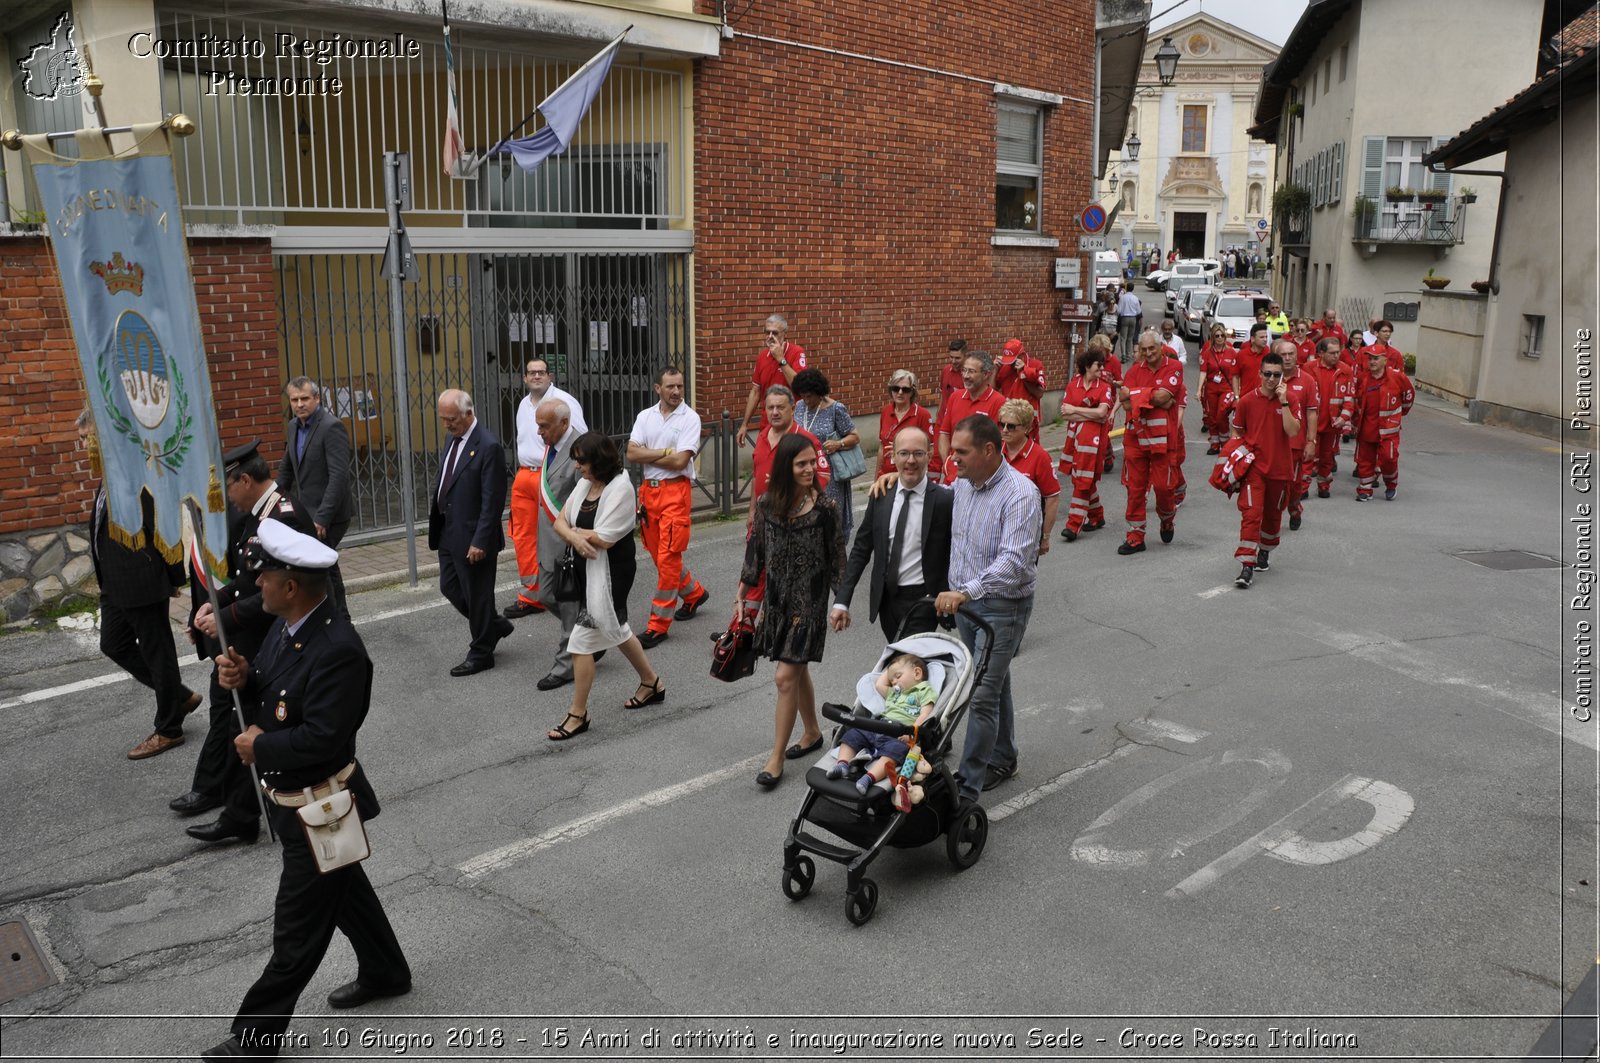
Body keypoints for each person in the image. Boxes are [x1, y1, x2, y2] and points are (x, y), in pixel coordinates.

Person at [199, 519, 410, 1062]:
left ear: (290, 586)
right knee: (344, 892)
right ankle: (386, 971)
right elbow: (277, 690)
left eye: (263, 577)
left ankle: (255, 1040)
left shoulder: (339, 649)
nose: (256, 585)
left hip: (323, 805)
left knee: (297, 930)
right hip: (297, 804)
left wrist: (259, 749)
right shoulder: (288, 625)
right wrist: (244, 676)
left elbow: (323, 736)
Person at [178, 440, 311, 846]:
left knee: (264, 722)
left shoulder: (283, 517)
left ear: (246, 480)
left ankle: (253, 809)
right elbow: (247, 579)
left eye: (228, 488)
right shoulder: (256, 515)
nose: (226, 499)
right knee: (241, 718)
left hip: (284, 636)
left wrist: (227, 619)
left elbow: (278, 591)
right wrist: (214, 605)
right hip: (258, 635)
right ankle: (241, 809)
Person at [81, 410, 200, 761]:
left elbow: (163, 522)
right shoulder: (108, 475)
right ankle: (178, 696)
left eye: (86, 438)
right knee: (113, 643)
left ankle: (169, 728)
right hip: (114, 584)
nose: (83, 445)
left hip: (141, 580)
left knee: (157, 653)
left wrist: (174, 577)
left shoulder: (137, 473)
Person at [936, 415, 1039, 802]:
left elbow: (1014, 561)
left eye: (961, 452)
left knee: (979, 694)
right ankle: (1003, 755)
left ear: (989, 450)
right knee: (994, 681)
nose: (953, 459)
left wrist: (966, 592)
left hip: (1001, 606)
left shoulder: (1020, 494)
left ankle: (967, 785)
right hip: (966, 604)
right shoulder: (964, 483)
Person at [738, 433, 846, 789]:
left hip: (809, 606)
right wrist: (744, 591)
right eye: (801, 463)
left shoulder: (825, 508)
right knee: (796, 670)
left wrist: (840, 601)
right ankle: (813, 731)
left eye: (812, 462)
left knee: (784, 677)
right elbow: (757, 548)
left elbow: (837, 556)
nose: (809, 468)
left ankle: (776, 757)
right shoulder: (769, 504)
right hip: (778, 602)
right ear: (786, 466)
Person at [545, 433, 666, 741]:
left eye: (581, 460)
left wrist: (574, 532)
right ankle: (651, 683)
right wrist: (575, 536)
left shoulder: (621, 488)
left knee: (581, 641)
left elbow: (607, 538)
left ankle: (578, 714)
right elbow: (559, 521)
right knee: (617, 629)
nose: (576, 466)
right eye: (575, 459)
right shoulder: (586, 483)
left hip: (612, 572)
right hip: (588, 568)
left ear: (598, 461)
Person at [832, 425, 952, 641]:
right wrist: (842, 600)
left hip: (924, 601)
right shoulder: (881, 496)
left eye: (918, 453)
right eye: (904, 453)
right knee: (903, 665)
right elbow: (861, 550)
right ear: (892, 456)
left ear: (930, 454)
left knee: (907, 661)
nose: (911, 460)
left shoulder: (944, 501)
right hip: (887, 600)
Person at [625, 366, 708, 650]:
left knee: (669, 557)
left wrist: (650, 456)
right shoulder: (644, 417)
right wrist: (663, 452)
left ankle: (658, 626)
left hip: (675, 493)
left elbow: (679, 463)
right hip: (649, 494)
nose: (676, 392)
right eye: (670, 387)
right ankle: (694, 593)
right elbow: (631, 453)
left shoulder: (690, 418)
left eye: (680, 387)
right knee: (658, 553)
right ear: (657, 388)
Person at [429, 389, 510, 678]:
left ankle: (481, 652)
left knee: (477, 595)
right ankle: (493, 625)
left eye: (451, 419)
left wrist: (480, 540)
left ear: (468, 413)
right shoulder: (452, 438)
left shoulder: (488, 446)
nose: (447, 425)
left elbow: (493, 500)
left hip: (474, 536)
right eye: (443, 419)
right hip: (448, 531)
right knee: (449, 587)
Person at [504, 357, 587, 619]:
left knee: (549, 532)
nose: (536, 376)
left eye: (541, 372)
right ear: (525, 378)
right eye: (531, 373)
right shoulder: (522, 404)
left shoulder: (564, 402)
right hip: (523, 476)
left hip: (548, 476)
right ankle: (533, 591)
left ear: (549, 376)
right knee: (523, 536)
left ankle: (556, 588)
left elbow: (579, 440)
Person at [276, 377, 353, 612]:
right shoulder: (293, 426)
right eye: (294, 400)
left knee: (324, 566)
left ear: (317, 399)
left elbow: (339, 476)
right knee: (322, 566)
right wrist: (272, 500)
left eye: (305, 399)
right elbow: (287, 469)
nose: (299, 404)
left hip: (330, 514)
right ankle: (333, 618)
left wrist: (322, 517)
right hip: (307, 511)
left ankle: (340, 619)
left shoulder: (331, 427)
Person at [529, 399, 591, 691]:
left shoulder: (580, 448)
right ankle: (589, 633)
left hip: (569, 540)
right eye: (538, 425)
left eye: (544, 426)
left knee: (568, 605)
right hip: (548, 538)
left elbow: (589, 494)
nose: (539, 431)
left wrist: (578, 536)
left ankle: (565, 665)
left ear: (564, 424)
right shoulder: (552, 445)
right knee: (546, 595)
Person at [1228, 352, 1302, 589]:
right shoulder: (1247, 401)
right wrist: (1233, 467)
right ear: (1260, 374)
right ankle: (1246, 566)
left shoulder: (1290, 398)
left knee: (1272, 519)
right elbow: (1236, 434)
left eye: (1277, 375)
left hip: (1280, 470)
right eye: (1268, 374)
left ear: (1283, 376)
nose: (1272, 379)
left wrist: (1284, 402)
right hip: (1254, 470)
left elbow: (1292, 431)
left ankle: (1265, 552)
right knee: (1251, 515)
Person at [826, 653, 937, 800]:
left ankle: (869, 778)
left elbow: (925, 715)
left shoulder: (923, 691)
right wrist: (891, 670)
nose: (894, 682)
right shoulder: (893, 694)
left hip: (900, 733)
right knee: (854, 734)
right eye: (891, 680)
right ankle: (842, 765)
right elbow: (879, 684)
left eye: (898, 676)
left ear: (917, 673)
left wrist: (911, 732)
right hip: (879, 725)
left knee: (894, 752)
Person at [1116, 330, 1184, 555]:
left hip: (1163, 441)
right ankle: (1136, 536)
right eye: (1143, 349)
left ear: (1160, 347)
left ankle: (1167, 518)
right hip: (1135, 438)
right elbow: (1125, 405)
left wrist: (1136, 394)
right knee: (1135, 489)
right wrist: (1152, 397)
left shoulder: (1174, 367)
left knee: (1164, 488)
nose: (1147, 353)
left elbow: (1165, 397)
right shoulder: (1134, 371)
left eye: (1151, 349)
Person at [791, 368, 862, 544]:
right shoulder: (799, 407)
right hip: (804, 472)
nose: (806, 400)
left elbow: (855, 436)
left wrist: (839, 444)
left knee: (829, 518)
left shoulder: (836, 409)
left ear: (819, 392)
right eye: (802, 395)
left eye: (809, 396)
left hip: (829, 475)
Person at [1058, 348, 1113, 543]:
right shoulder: (1073, 385)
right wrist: (1088, 413)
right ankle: (1096, 516)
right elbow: (1065, 413)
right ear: (1088, 366)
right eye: (1099, 364)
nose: (1102, 368)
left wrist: (1077, 411)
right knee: (1083, 477)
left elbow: (1101, 414)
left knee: (1082, 478)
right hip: (1075, 439)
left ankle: (1073, 525)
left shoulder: (1104, 387)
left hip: (1094, 441)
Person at [1352, 344, 1415, 501]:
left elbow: (1408, 395)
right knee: (1365, 459)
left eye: (1376, 358)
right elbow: (1356, 400)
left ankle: (1391, 484)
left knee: (1388, 458)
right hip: (1367, 427)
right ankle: (1365, 490)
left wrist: (1400, 414)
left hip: (1388, 429)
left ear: (1385, 360)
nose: (1372, 362)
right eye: (1370, 358)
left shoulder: (1397, 377)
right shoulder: (1363, 378)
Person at [998, 398, 1060, 555]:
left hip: (1025, 535)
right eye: (1002, 424)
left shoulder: (1040, 457)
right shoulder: (995, 452)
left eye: (1011, 426)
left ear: (1026, 428)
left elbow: (1052, 499)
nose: (1004, 430)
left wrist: (1045, 537)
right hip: (996, 530)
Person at [737, 313, 806, 447]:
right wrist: (744, 424)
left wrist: (781, 359)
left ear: (784, 334)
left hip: (790, 425)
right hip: (767, 425)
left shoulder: (797, 352)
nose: (770, 337)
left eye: (774, 333)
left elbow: (800, 386)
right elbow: (756, 391)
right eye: (767, 332)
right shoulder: (762, 356)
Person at [937, 350, 1004, 481]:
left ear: (986, 374)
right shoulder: (955, 397)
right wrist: (947, 461)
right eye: (964, 370)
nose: (966, 376)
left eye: (971, 372)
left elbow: (999, 445)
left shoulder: (999, 402)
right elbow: (944, 433)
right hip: (953, 477)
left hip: (980, 478)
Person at [1277, 340, 1321, 532]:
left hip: (1295, 444)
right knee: (1273, 484)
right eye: (1283, 355)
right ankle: (1272, 518)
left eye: (1290, 354)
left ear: (1297, 356)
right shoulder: (1269, 378)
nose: (1287, 358)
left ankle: (1295, 509)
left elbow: (1312, 413)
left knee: (1294, 486)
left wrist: (1311, 441)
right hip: (1271, 444)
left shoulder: (1308, 381)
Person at [1309, 337, 1356, 498]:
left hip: (1333, 424)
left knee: (1327, 458)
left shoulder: (1346, 370)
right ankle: (1301, 489)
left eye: (1338, 352)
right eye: (1332, 353)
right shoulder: (1309, 368)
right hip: (1311, 424)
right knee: (1308, 457)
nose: (1336, 356)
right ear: (1321, 353)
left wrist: (1343, 418)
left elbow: (1350, 399)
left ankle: (1324, 485)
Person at [876, 369, 934, 478]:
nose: (900, 393)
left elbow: (930, 450)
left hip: (909, 477)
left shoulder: (922, 414)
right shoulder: (886, 411)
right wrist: (876, 478)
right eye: (896, 388)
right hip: (885, 476)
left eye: (905, 389)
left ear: (912, 391)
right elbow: (881, 447)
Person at [994, 337, 1046, 440]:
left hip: (1027, 422)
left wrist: (1023, 374)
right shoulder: (1005, 366)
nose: (1010, 364)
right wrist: (995, 370)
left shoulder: (1035, 365)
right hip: (1007, 420)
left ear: (1021, 356)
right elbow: (992, 390)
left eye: (1013, 360)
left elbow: (1039, 393)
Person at [1198, 323, 1239, 455]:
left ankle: (1225, 442)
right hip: (1211, 389)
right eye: (1217, 335)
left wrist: (1237, 392)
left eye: (1222, 335)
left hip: (1226, 389)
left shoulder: (1232, 352)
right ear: (1213, 337)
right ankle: (1215, 444)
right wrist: (1199, 390)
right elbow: (1203, 373)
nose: (1220, 338)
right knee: (1212, 417)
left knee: (1221, 415)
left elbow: (1235, 375)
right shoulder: (1207, 353)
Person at [1233, 322, 1271, 398]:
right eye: (1262, 337)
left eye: (1266, 337)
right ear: (1253, 339)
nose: (1265, 340)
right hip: (1245, 397)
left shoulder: (1268, 353)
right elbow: (1235, 377)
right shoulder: (1241, 355)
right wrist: (1236, 397)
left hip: (1264, 398)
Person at [1116, 283, 1145, 360]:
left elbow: (1118, 310)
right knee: (1130, 337)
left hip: (1124, 318)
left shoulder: (1122, 298)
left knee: (1123, 337)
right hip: (1133, 318)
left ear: (1126, 287)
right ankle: (1129, 354)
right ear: (1133, 288)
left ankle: (1123, 355)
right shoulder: (1135, 298)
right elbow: (1139, 311)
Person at [938, 339, 967, 409]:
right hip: (943, 418)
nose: (953, 361)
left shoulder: (969, 376)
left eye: (957, 358)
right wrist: (938, 414)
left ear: (965, 356)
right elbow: (943, 394)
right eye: (951, 357)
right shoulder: (945, 370)